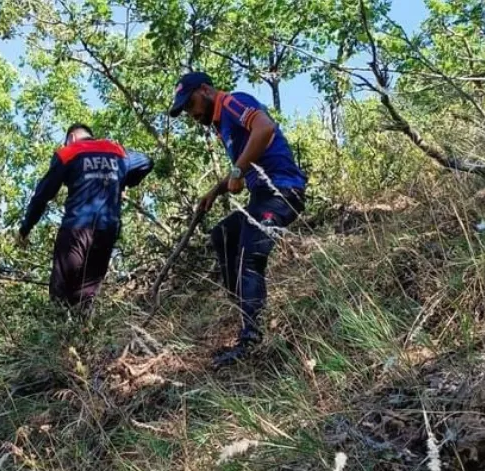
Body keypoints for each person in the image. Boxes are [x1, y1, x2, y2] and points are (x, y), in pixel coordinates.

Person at [168, 71, 307, 368]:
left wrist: (236, 171)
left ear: (205, 90)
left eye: (191, 103)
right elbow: (245, 160)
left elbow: (265, 128)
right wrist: (215, 191)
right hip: (262, 196)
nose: (191, 113)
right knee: (223, 236)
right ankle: (250, 315)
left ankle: (251, 341)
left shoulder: (232, 103)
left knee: (249, 256)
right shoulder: (221, 126)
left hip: (283, 190)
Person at [16, 123, 154, 317]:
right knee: (86, 293)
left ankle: (61, 340)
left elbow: (42, 195)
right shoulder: (117, 151)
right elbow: (147, 162)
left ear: (71, 138)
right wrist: (124, 181)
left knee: (61, 291)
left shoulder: (68, 152)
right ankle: (82, 338)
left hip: (76, 228)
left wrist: (25, 228)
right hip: (107, 231)